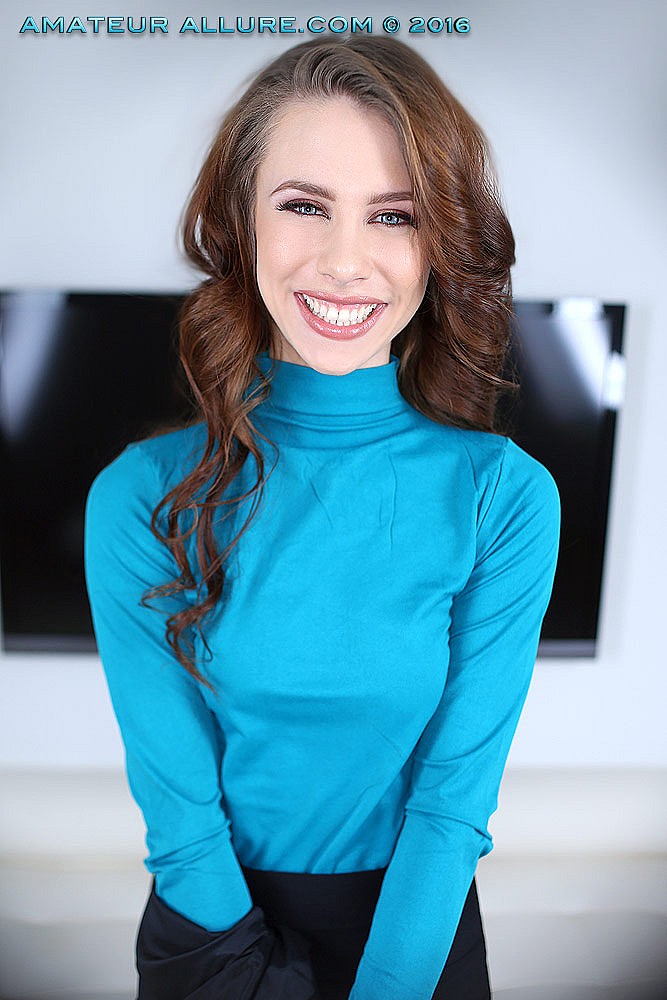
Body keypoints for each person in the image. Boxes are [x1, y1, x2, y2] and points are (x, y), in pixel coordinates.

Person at [83, 35, 561, 1000]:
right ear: (241, 220)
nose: (346, 262)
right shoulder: (139, 496)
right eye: (304, 205)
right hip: (211, 932)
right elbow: (180, 816)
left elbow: (451, 805)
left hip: (416, 935)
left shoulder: (502, 496)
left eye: (394, 216)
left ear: (437, 243)